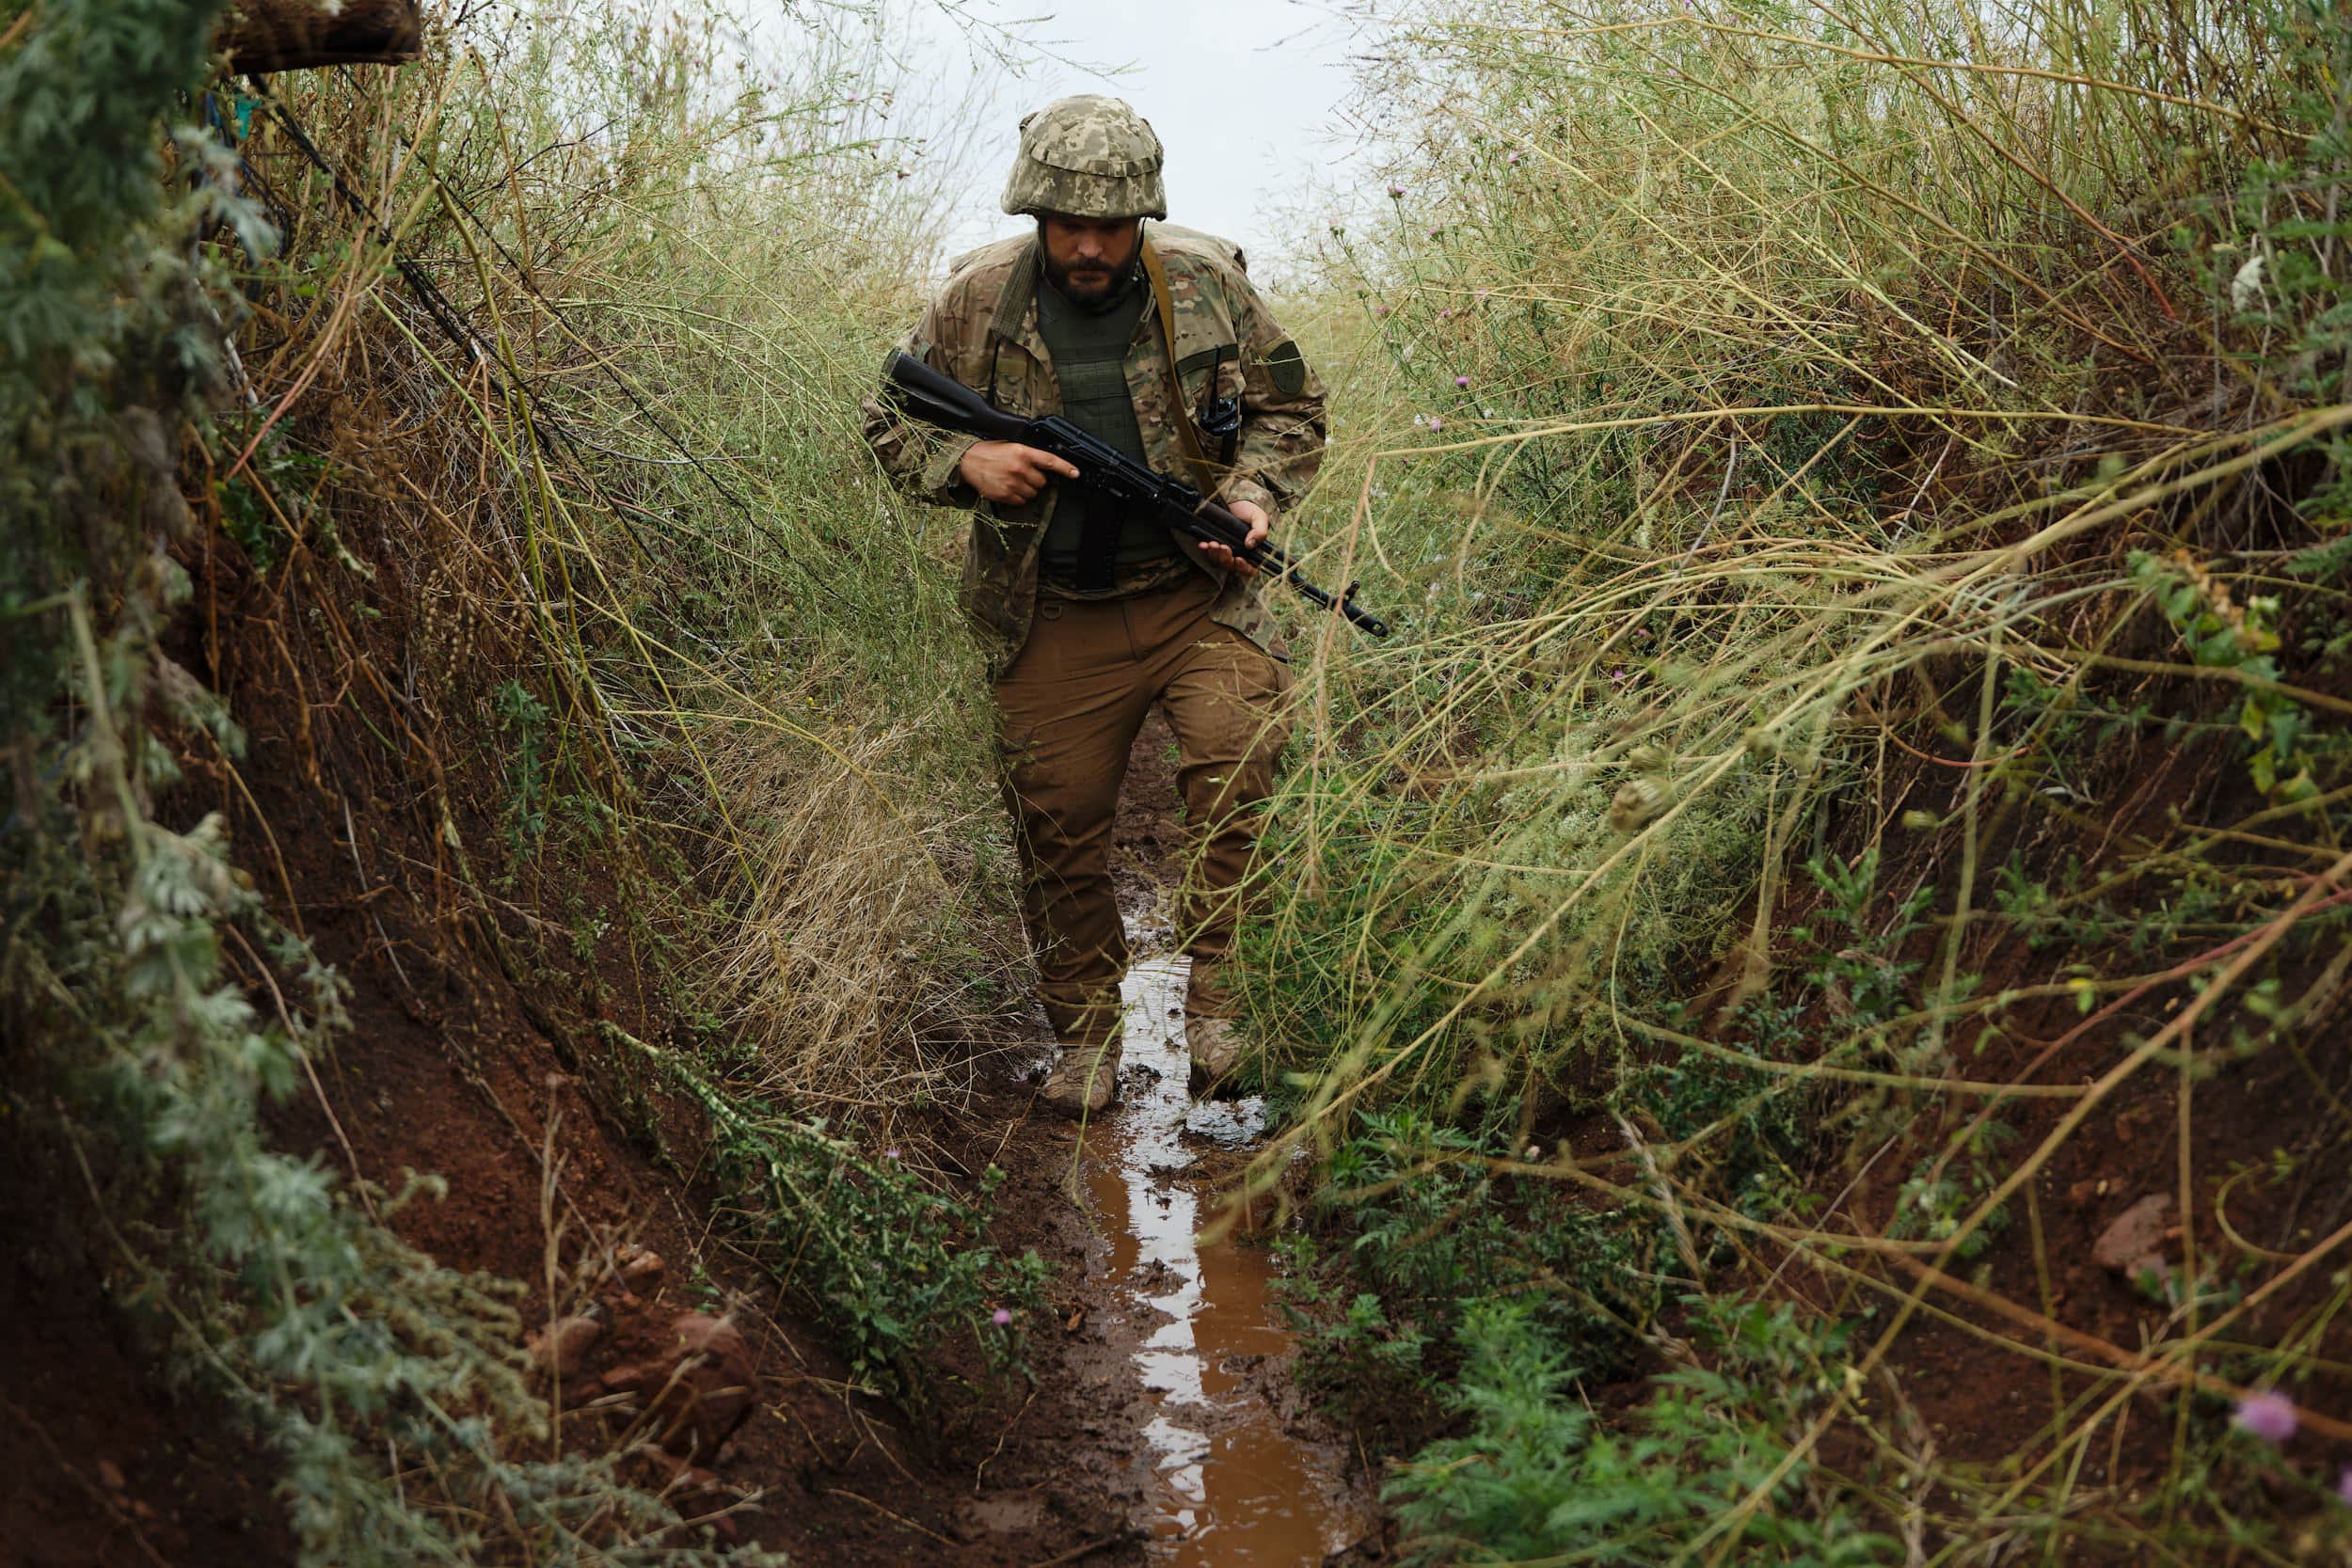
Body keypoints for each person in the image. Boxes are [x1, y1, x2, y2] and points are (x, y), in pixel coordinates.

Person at [861, 94, 1327, 1117]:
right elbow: (887, 424)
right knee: (1058, 829)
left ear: (1141, 217)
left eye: (1108, 226)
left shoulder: (1206, 288)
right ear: (1035, 214)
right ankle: (1083, 1035)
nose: (1085, 245)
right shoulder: (975, 299)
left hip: (1194, 596)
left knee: (1241, 761)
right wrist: (966, 458)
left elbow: (1293, 408)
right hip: (1048, 610)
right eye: (1065, 224)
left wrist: (1248, 495)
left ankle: (1221, 1001)